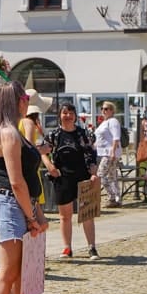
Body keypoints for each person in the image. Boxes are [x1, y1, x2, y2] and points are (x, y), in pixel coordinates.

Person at [0, 80, 50, 294]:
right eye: (24, 97)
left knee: (21, 275)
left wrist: (36, 211)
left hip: (19, 204)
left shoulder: (16, 130)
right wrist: (31, 214)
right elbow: (16, 182)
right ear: (16, 101)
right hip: (10, 204)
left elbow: (27, 178)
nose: (27, 101)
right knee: (8, 272)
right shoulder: (8, 134)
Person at [42, 102, 100, 259]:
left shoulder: (83, 134)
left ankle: (92, 247)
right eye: (65, 113)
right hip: (62, 178)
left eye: (71, 113)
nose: (68, 116)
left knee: (87, 214)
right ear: (60, 115)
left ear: (75, 116)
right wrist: (50, 167)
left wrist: (94, 174)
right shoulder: (54, 135)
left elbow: (91, 155)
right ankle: (67, 248)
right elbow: (42, 152)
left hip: (83, 177)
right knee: (65, 216)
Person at [95, 101, 122, 208]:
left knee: (100, 175)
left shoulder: (113, 121)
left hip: (109, 153)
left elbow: (116, 137)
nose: (103, 111)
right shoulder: (104, 122)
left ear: (112, 110)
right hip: (104, 152)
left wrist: (112, 151)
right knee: (112, 176)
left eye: (106, 109)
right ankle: (117, 199)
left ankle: (112, 197)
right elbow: (100, 139)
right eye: (102, 108)